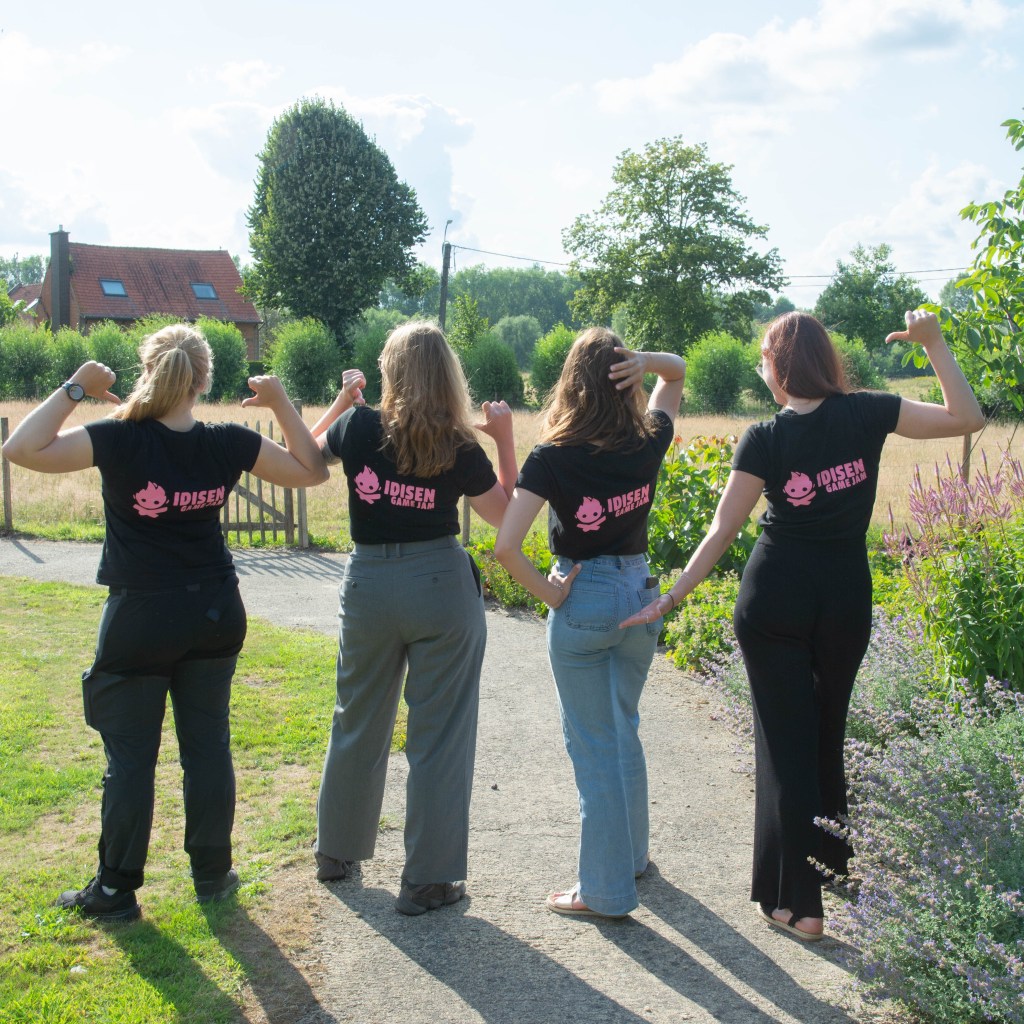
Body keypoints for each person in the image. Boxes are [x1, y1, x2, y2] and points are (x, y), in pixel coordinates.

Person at [620, 309, 984, 940]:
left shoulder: (764, 437)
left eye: (764, 358)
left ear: (780, 367)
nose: (761, 369)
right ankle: (834, 866)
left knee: (787, 748)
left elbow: (724, 528)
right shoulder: (867, 411)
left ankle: (801, 906)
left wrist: (673, 596)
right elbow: (967, 417)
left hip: (776, 601)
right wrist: (935, 344)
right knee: (823, 735)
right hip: (845, 599)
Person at [1, 324, 328, 923]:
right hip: (214, 614)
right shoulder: (228, 441)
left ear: (147, 371)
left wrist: (76, 387)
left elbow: (20, 449)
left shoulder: (118, 438)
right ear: (203, 381)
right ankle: (212, 875)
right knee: (208, 749)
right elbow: (313, 471)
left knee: (131, 759)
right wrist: (281, 403)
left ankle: (115, 890)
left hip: (141, 617)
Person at [309, 321, 517, 916]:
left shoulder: (358, 426)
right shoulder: (459, 444)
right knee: (440, 736)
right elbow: (507, 516)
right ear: (447, 374)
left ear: (389, 370)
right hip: (440, 586)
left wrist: (340, 404)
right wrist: (504, 440)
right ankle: (428, 880)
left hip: (369, 583)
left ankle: (336, 850)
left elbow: (306, 453)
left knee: (356, 716)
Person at [493, 327, 686, 919]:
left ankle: (604, 891)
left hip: (584, 597)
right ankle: (632, 859)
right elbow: (677, 372)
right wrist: (648, 359)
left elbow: (506, 547)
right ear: (626, 379)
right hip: (639, 592)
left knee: (594, 746)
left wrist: (551, 594)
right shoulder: (648, 438)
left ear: (571, 383)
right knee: (623, 728)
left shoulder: (553, 456)